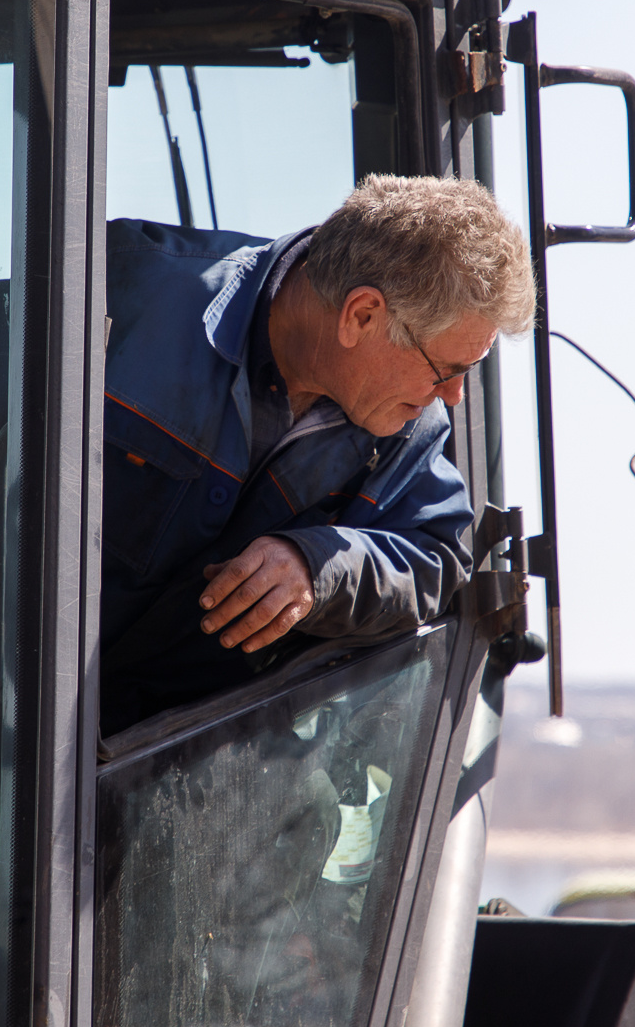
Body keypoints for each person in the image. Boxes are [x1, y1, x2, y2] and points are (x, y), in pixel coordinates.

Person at [97, 175, 535, 729]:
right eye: (448, 370)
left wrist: (321, 565)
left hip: (160, 758)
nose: (452, 396)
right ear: (362, 316)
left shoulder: (409, 429)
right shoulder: (130, 287)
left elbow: (438, 558)